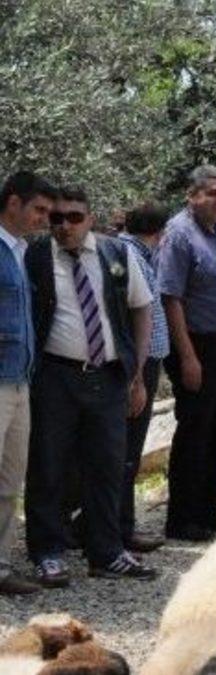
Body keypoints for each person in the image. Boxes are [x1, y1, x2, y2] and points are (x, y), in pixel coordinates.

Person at [24, 187, 158, 584]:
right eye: (57, 218)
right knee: (48, 465)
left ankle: (106, 552)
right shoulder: (34, 256)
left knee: (107, 466)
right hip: (55, 376)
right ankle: (48, 552)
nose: (64, 226)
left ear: (90, 219)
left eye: (74, 217)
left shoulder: (116, 254)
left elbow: (142, 308)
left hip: (109, 376)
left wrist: (137, 373)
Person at [157, 164, 216, 541]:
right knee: (196, 432)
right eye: (212, 193)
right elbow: (171, 298)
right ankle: (183, 519)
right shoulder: (179, 234)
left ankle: (211, 510)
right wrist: (187, 356)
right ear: (192, 196)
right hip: (197, 346)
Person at [0, 172, 55, 596]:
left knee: (9, 480)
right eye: (38, 209)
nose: (44, 219)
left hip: (20, 380)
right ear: (13, 202)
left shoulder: (19, 251)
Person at [115, 203, 172, 553]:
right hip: (137, 364)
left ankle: (116, 525)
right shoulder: (129, 257)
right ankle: (120, 529)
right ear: (161, 233)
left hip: (142, 362)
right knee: (126, 451)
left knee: (128, 452)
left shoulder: (136, 255)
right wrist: (135, 376)